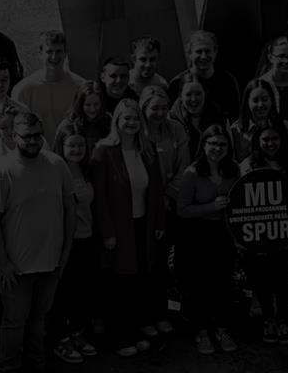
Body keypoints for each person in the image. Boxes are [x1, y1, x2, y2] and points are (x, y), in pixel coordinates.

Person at [0, 112, 76, 373]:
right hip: (15, 269)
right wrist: (4, 263)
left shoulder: (57, 165)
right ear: (14, 137)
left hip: (51, 263)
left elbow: (69, 207)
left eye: (37, 135)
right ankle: (8, 367)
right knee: (14, 323)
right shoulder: (0, 171)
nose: (33, 141)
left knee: (39, 321)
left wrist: (66, 250)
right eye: (27, 136)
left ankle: (36, 364)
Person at [90, 100, 167, 357]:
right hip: (118, 228)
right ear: (117, 121)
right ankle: (119, 338)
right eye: (127, 118)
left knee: (139, 280)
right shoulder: (103, 151)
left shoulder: (147, 149)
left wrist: (159, 223)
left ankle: (134, 330)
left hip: (143, 224)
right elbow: (99, 198)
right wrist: (107, 232)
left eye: (136, 119)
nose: (132, 123)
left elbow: (156, 190)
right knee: (118, 284)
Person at [176, 125, 241, 354]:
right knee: (199, 285)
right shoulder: (192, 173)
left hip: (224, 233)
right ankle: (201, 331)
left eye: (222, 144)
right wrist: (211, 207)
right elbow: (182, 209)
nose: (217, 148)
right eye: (212, 143)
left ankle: (222, 329)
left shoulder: (234, 169)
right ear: (203, 145)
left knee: (223, 283)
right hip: (198, 234)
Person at [237, 118, 288, 345]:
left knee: (284, 279)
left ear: (282, 140)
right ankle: (268, 320)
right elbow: (240, 201)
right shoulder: (247, 166)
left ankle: (282, 319)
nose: (270, 143)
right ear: (257, 141)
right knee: (261, 279)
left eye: (275, 138)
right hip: (258, 235)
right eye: (265, 139)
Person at [139, 85, 188, 338]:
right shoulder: (137, 131)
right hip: (141, 207)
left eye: (164, 108)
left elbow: (183, 167)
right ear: (144, 108)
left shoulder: (176, 129)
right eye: (154, 108)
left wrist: (168, 196)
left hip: (168, 205)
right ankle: (143, 315)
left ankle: (161, 312)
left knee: (161, 263)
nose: (160, 113)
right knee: (143, 263)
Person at [49, 124, 99, 363]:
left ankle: (77, 332)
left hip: (87, 238)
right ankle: (60, 338)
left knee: (81, 290)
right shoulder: (55, 173)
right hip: (65, 241)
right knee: (63, 293)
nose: (77, 149)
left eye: (81, 145)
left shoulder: (88, 170)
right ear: (62, 146)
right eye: (71, 145)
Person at [12, 30, 89, 147]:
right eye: (49, 51)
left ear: (65, 53)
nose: (54, 56)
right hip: (36, 152)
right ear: (40, 53)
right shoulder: (23, 90)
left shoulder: (80, 87)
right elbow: (16, 129)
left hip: (72, 151)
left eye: (59, 51)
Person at [174, 30, 243, 122]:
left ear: (215, 52)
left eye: (207, 51)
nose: (203, 56)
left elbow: (236, 117)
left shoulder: (228, 81)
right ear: (189, 54)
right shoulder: (177, 83)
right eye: (199, 51)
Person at [230, 78, 288, 163]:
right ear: (247, 102)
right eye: (255, 100)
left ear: (271, 100)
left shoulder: (285, 126)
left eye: (265, 99)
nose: (260, 105)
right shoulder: (236, 130)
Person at [56, 81, 110, 153]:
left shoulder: (107, 121)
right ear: (80, 104)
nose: (93, 109)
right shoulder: (68, 125)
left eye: (96, 104)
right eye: (88, 105)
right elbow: (57, 152)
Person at [168, 73, 216, 148]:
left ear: (205, 93)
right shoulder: (170, 121)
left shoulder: (217, 116)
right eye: (188, 94)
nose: (193, 99)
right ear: (180, 96)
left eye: (198, 94)